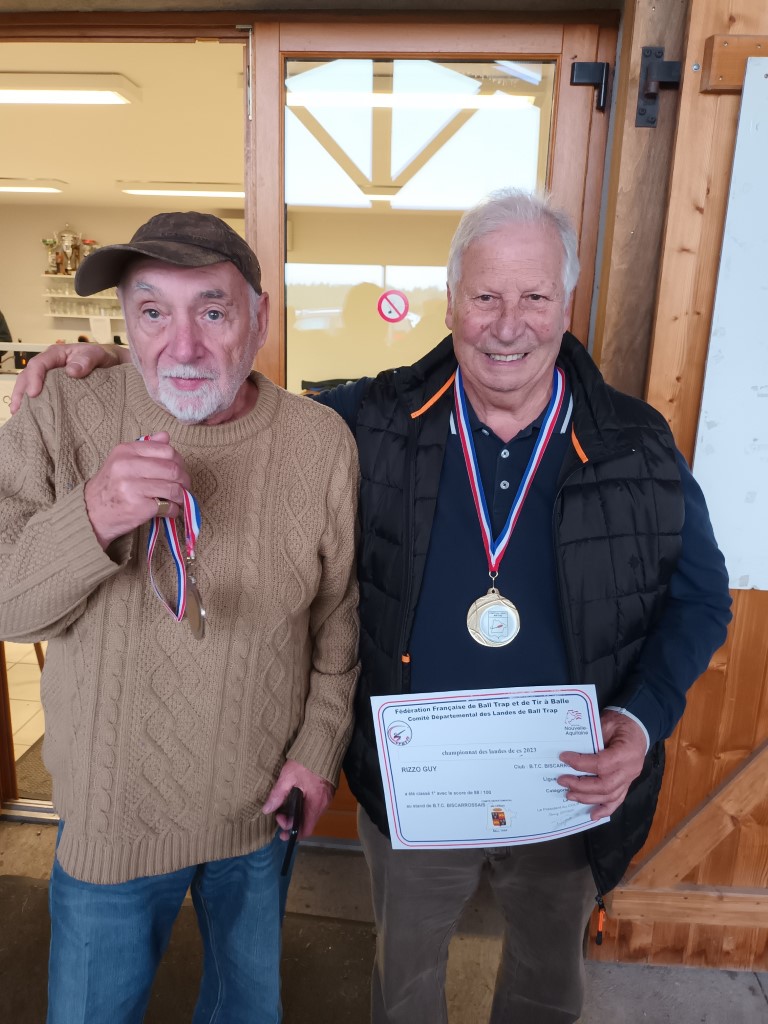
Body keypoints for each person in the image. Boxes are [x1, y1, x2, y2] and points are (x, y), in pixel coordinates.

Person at [13, 191, 732, 1024]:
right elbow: (227, 399)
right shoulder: (375, 418)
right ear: (451, 302)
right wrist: (118, 364)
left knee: (547, 988)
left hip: (565, 786)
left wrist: (640, 721)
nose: (508, 324)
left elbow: (700, 599)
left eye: (535, 296)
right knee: (405, 987)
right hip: (417, 789)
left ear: (566, 303)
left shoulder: (636, 442)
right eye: (485, 296)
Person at [0, 212, 360, 1024]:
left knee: (244, 1013)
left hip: (259, 814)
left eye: (213, 310)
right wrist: (92, 514)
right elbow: (6, 605)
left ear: (260, 318)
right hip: (111, 822)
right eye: (153, 312)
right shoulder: (62, 411)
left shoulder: (321, 442)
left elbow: (338, 620)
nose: (183, 345)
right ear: (125, 322)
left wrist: (318, 751)